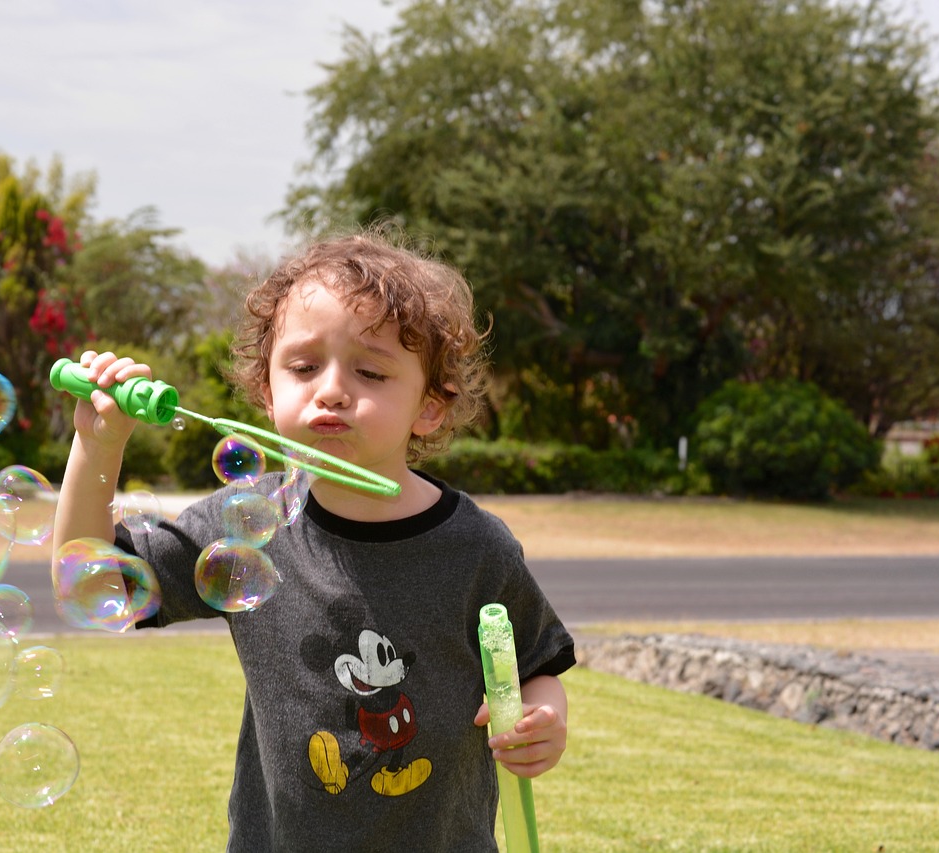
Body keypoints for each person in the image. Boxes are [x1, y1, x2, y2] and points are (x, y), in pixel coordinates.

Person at [52, 231, 575, 852]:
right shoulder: (243, 522)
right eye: (303, 367)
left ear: (430, 408)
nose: (330, 388)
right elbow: (91, 583)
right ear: (268, 394)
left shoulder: (475, 547)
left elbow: (537, 665)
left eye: (371, 370)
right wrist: (97, 448)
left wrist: (546, 720)